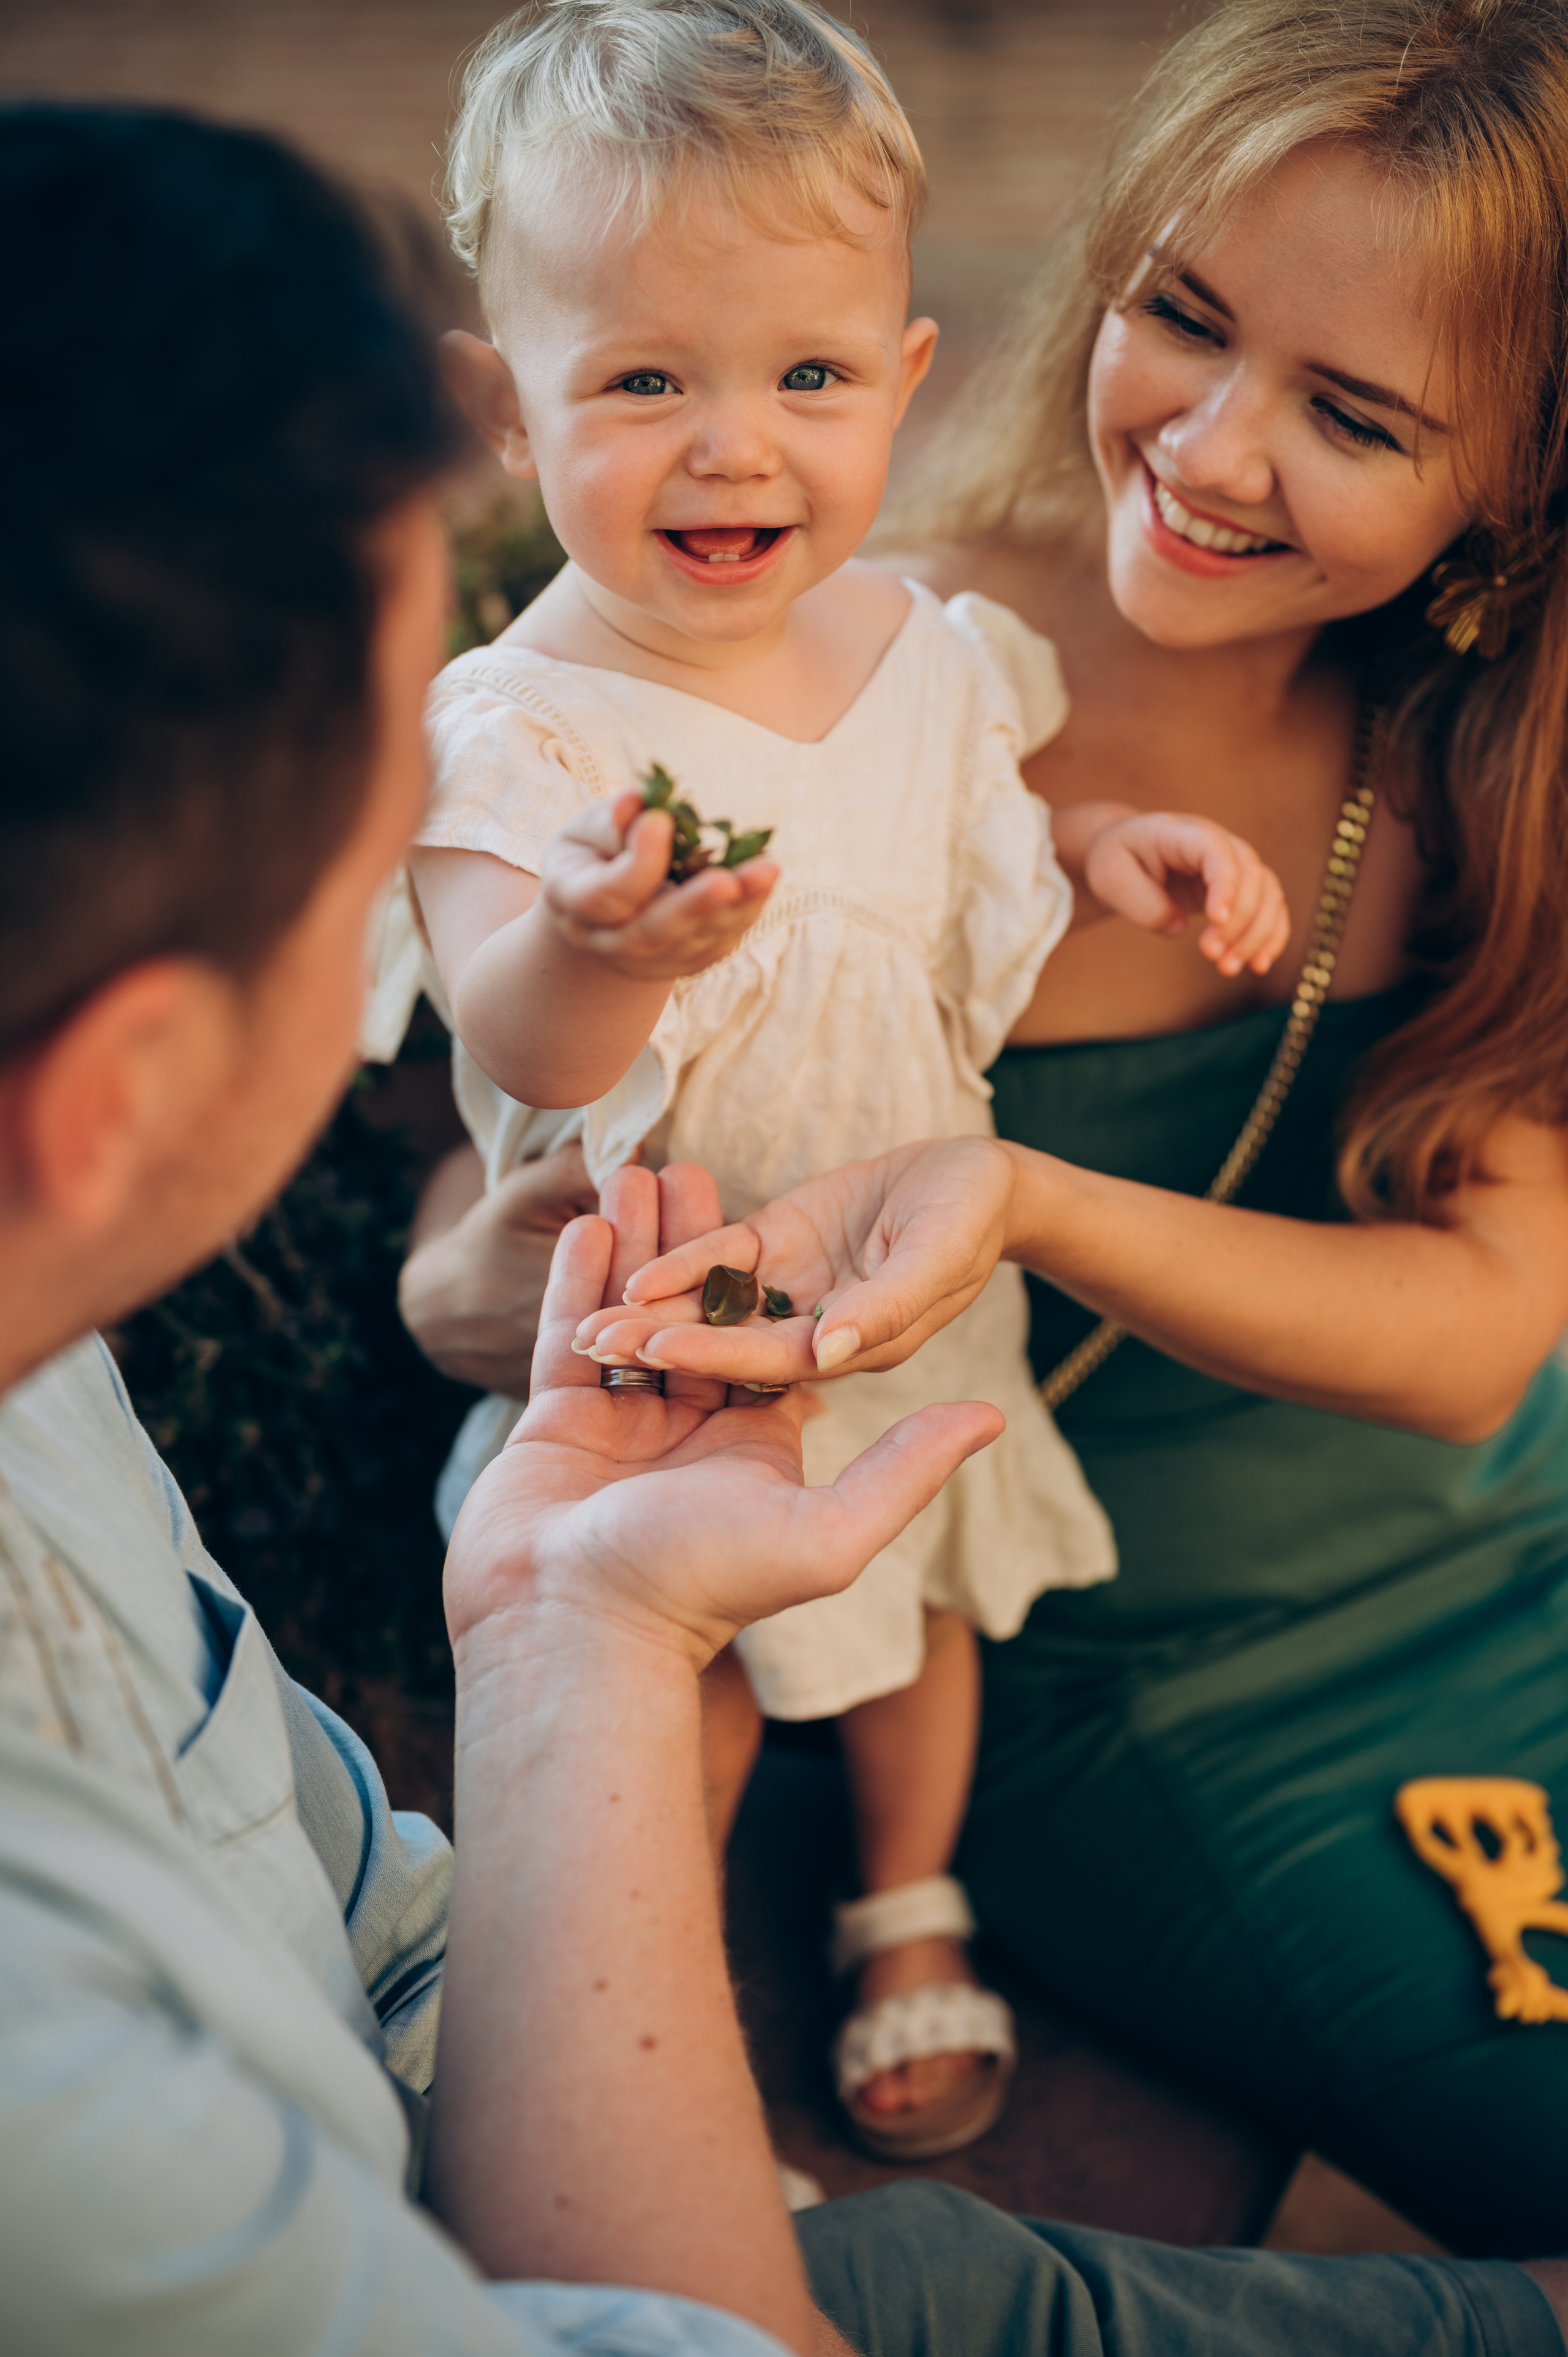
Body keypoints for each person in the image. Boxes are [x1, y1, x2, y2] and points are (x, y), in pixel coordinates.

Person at [565, 0, 1568, 2261]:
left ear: (1514, 487)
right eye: (1180, 317)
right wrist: (483, 1270)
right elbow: (545, 1140)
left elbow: (1477, 1340)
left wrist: (1018, 1192)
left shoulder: (1498, 757)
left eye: (1356, 414)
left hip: (1525, 1543)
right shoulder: (840, 649)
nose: (1210, 449)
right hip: (1125, 1657)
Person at [0, 96, 998, 2351]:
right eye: (376, 860)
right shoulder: (60, 2145)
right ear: (128, 1094)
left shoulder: (38, 1364)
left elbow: (372, 1928)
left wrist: (563, 1633)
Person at [369, 0, 1290, 2160]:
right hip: (659, 1334)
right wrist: (593, 951)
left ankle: (904, 1896)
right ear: (505, 413)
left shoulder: (929, 649)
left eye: (802, 376)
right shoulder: (525, 736)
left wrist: (1098, 854)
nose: (734, 449)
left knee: (918, 1620)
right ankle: (635, 1994)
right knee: (657, 1691)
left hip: (905, 1265)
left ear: (904, 376)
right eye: (642, 382)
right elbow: (510, 1026)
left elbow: (965, 833)